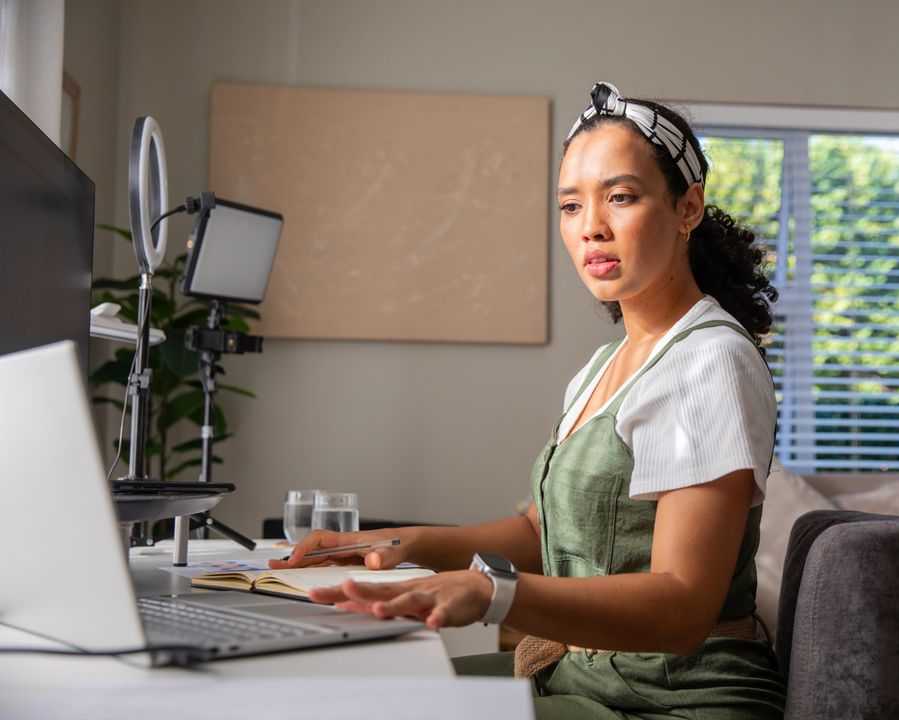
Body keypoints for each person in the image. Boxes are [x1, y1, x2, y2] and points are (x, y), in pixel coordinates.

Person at [271, 81, 786, 719]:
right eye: (571, 205)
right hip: (586, 679)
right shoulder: (606, 365)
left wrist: (493, 592)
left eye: (620, 197)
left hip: (671, 703)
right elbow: (548, 534)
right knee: (348, 691)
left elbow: (682, 607)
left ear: (688, 207)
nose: (591, 227)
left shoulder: (710, 361)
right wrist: (405, 542)